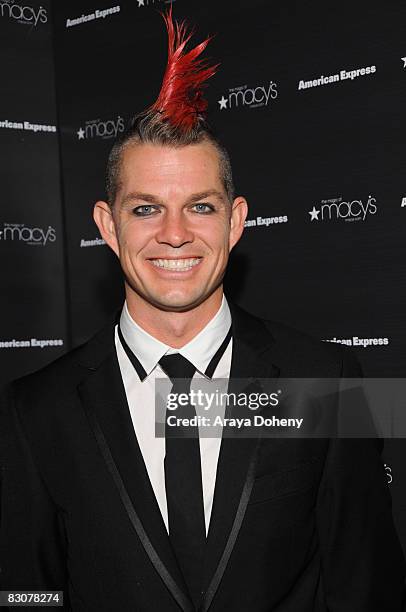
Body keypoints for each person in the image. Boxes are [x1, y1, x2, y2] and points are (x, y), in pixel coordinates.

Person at [0, 8, 405, 612]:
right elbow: (28, 594)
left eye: (201, 207)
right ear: (107, 227)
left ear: (236, 221)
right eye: (144, 209)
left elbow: (367, 586)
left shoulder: (324, 381)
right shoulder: (35, 409)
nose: (174, 234)